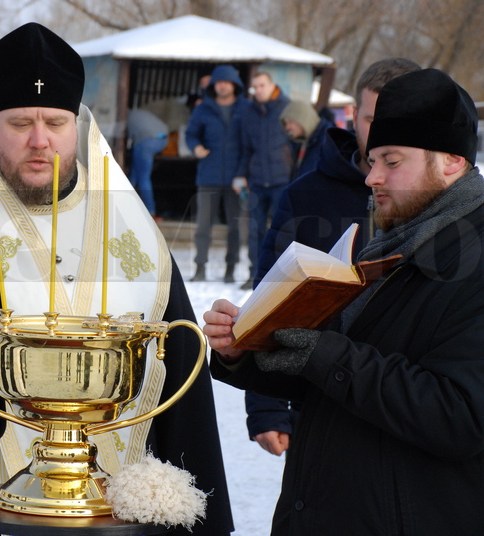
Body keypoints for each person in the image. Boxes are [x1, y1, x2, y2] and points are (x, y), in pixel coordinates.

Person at [0, 23, 233, 536]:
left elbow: (181, 365)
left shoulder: (136, 231)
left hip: (120, 493)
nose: (40, 141)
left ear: (77, 127)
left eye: (55, 123)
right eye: (20, 123)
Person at [205, 67, 484, 535]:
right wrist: (245, 351)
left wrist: (325, 354)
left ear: (452, 161)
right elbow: (333, 378)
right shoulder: (389, 241)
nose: (372, 176)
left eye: (391, 161)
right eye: (372, 158)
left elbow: (459, 416)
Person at [244, 58, 421, 457]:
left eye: (400, 121)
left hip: (410, 405)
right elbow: (269, 295)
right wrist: (266, 406)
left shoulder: (438, 201)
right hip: (318, 399)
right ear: (354, 115)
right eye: (375, 119)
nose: (384, 135)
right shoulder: (306, 195)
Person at [185, 64, 250, 282]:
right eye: (218, 82)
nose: (222, 86)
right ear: (213, 85)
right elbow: (191, 134)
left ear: (234, 84)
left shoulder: (245, 108)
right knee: (203, 226)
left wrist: (244, 173)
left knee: (234, 227)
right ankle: (200, 268)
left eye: (226, 82)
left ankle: (230, 270)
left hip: (236, 177)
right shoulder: (203, 108)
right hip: (209, 175)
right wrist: (195, 147)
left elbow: (250, 142)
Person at [233, 72, 296, 289]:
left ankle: (281, 276)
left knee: (283, 229)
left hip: (283, 180)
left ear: (272, 85)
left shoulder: (287, 107)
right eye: (255, 87)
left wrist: (296, 176)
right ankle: (255, 274)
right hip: (258, 180)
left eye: (262, 85)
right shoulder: (248, 113)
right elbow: (245, 149)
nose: (258, 90)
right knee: (255, 230)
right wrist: (241, 175)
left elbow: (297, 144)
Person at [127, 107, 169, 217]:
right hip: (163, 137)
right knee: (135, 174)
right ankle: (125, 204)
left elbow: (126, 141)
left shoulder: (124, 117)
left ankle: (151, 211)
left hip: (148, 140)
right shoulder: (138, 112)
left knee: (142, 177)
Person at [279, 99, 333, 178]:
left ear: (303, 119)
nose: (287, 127)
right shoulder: (302, 142)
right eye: (286, 123)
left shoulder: (327, 141)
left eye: (290, 121)